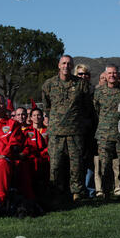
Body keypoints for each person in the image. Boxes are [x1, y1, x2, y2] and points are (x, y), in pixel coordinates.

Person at [42, 55, 92, 204]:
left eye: (69, 64)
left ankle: (77, 193)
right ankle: (56, 193)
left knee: (76, 165)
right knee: (55, 165)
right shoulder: (48, 84)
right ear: (58, 65)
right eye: (63, 63)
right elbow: (47, 106)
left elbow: (86, 106)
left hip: (75, 132)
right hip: (56, 132)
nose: (66, 66)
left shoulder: (81, 84)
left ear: (72, 66)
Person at [93, 64, 120, 204]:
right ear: (105, 75)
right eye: (109, 73)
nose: (112, 75)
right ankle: (106, 193)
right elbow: (96, 110)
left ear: (118, 74)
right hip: (104, 135)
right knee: (105, 166)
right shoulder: (99, 92)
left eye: (114, 73)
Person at [74, 63, 97, 199]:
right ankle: (77, 190)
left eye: (86, 74)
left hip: (91, 131)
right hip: (75, 130)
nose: (83, 76)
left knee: (89, 163)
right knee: (76, 162)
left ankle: (90, 191)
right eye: (80, 74)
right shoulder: (71, 90)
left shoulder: (94, 91)